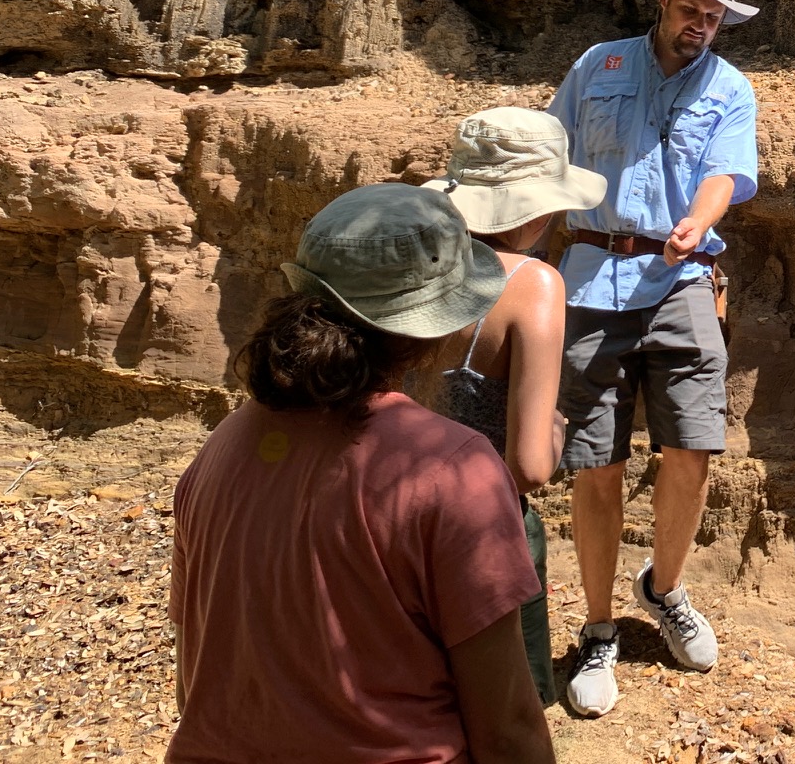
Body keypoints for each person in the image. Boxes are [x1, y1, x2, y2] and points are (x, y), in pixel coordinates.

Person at [169, 184, 556, 764]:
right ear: (432, 328)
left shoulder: (223, 445)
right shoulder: (453, 469)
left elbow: (197, 669)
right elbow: (509, 729)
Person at [545, 0, 761, 718]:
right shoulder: (597, 66)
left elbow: (727, 175)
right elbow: (547, 155)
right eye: (692, 10)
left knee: (695, 446)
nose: (702, 26)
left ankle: (663, 589)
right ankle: (600, 627)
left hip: (682, 279)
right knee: (594, 464)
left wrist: (695, 224)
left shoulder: (730, 88)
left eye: (716, 18)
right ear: (663, 2)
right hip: (591, 278)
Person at [417, 106, 608, 709]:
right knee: (505, 708)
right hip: (483, 524)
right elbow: (527, 467)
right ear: (533, 209)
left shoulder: (416, 260)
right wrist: (554, 432)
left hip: (392, 507)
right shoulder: (532, 282)